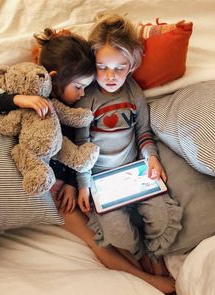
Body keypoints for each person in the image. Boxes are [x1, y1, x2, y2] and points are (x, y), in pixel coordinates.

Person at [0, 27, 174, 293]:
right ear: (56, 78)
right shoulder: (31, 96)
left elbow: (79, 147)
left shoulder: (74, 107)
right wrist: (16, 99)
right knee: (98, 241)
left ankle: (148, 261)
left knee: (115, 227)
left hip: (67, 184)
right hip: (41, 187)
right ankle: (147, 278)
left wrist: (72, 183)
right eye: (80, 87)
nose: (84, 93)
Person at [75, 14, 183, 293]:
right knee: (118, 233)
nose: (111, 76)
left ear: (131, 65)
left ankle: (155, 254)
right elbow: (81, 147)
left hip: (134, 169)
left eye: (119, 68)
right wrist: (84, 184)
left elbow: (144, 133)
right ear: (92, 64)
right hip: (100, 177)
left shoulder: (134, 92)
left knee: (161, 219)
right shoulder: (87, 98)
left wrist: (152, 158)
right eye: (102, 67)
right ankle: (141, 259)